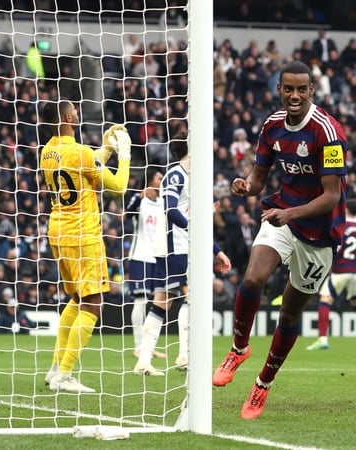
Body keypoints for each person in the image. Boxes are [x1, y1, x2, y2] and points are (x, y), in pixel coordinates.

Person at [212, 60, 348, 420]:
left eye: (302, 89)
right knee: (253, 278)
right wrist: (246, 187)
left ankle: (262, 385)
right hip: (282, 214)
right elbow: (259, 178)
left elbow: (332, 196)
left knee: (288, 314)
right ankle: (239, 348)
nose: (295, 95)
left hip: (318, 233)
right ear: (279, 89)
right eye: (289, 88)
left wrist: (291, 213)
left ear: (311, 91)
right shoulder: (271, 125)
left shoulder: (327, 132)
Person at [40, 100, 131, 393]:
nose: (78, 113)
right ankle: (65, 376)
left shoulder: (47, 151)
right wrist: (124, 155)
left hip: (58, 231)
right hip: (83, 235)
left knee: (77, 299)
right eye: (75, 111)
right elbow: (118, 186)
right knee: (93, 302)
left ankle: (55, 368)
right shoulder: (79, 152)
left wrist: (104, 149)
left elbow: (84, 167)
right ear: (68, 116)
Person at [134, 130, 231, 376]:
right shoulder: (176, 174)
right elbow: (171, 210)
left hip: (182, 245)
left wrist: (216, 251)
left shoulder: (193, 176)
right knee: (193, 296)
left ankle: (144, 359)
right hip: (174, 247)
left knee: (162, 302)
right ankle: (185, 355)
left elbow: (193, 218)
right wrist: (193, 226)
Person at [306, 198, 356, 351]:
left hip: (340, 270)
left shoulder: (342, 226)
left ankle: (322, 339)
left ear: (346, 210)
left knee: (325, 300)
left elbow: (337, 246)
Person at [124, 166, 166, 360]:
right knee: (140, 301)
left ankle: (148, 347)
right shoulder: (138, 199)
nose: (162, 180)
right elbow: (127, 212)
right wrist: (140, 196)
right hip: (139, 256)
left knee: (154, 302)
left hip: (156, 258)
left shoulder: (164, 203)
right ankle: (138, 346)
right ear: (150, 180)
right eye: (159, 178)